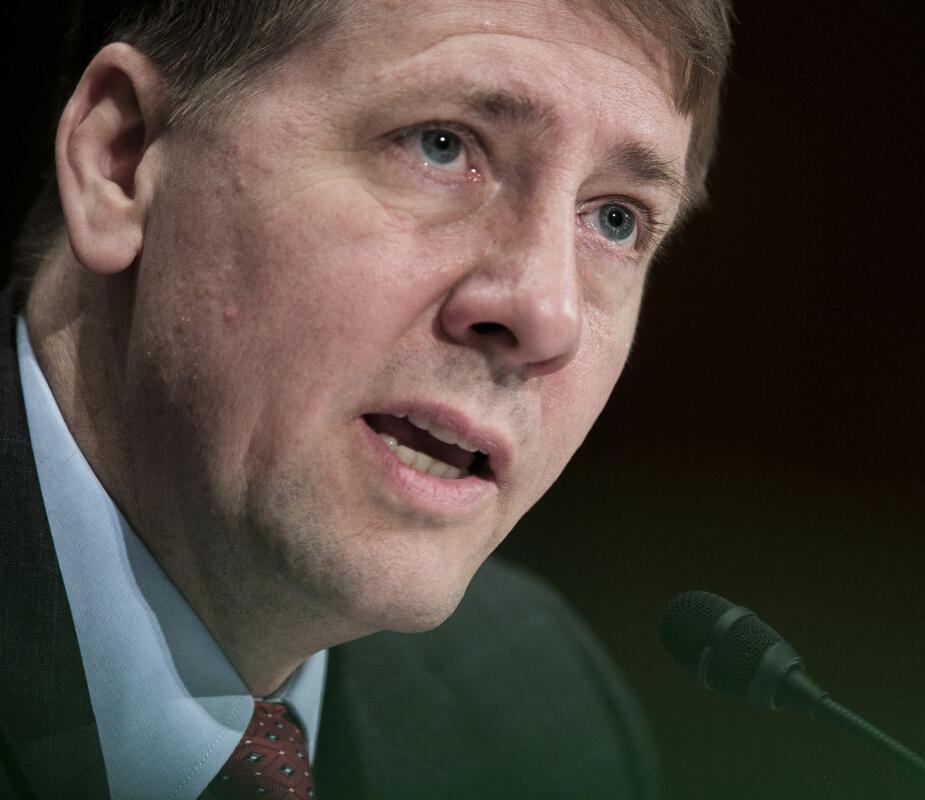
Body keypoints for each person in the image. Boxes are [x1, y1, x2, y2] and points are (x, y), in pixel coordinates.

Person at [0, 0, 732, 797]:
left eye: (617, 221)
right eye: (442, 146)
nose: (544, 313)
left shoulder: (544, 713)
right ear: (121, 159)